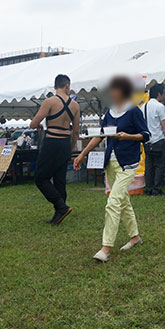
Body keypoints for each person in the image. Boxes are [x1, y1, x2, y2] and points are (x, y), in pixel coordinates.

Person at [74, 76, 149, 262]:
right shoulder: (110, 113)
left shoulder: (134, 111)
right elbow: (100, 136)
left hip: (128, 163)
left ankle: (105, 248)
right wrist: (82, 154)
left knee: (113, 202)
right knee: (123, 202)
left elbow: (145, 135)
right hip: (111, 163)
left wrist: (128, 136)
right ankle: (135, 237)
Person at [29, 74, 80, 224]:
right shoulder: (75, 106)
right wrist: (70, 148)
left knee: (40, 178)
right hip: (65, 143)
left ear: (54, 86)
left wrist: (38, 124)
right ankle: (59, 213)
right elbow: (76, 131)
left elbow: (33, 124)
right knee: (59, 179)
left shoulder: (50, 102)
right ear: (67, 86)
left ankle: (61, 206)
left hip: (52, 141)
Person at [143, 83, 165, 196]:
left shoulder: (143, 107)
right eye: (163, 93)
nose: (164, 96)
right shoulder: (160, 107)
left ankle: (149, 189)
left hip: (147, 141)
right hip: (158, 140)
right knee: (159, 166)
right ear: (159, 94)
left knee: (149, 166)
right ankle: (157, 190)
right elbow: (164, 125)